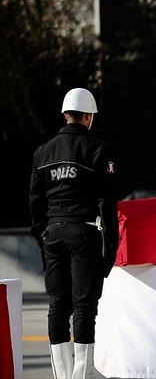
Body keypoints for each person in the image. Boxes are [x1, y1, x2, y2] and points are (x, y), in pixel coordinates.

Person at [28, 88, 119, 379]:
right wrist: (111, 247)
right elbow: (107, 202)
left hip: (52, 234)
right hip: (84, 234)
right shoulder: (98, 150)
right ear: (89, 116)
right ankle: (81, 375)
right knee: (83, 306)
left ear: (65, 114)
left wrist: (42, 234)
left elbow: (35, 200)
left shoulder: (42, 152)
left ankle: (63, 375)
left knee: (57, 305)